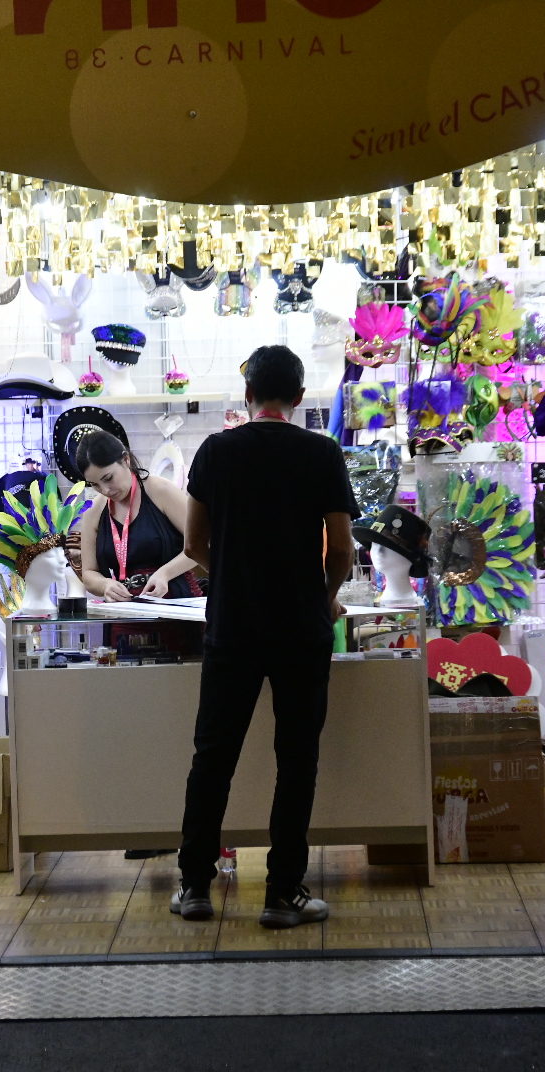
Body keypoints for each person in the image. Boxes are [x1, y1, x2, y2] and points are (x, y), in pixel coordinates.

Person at [171, 345, 358, 929]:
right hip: (301, 629)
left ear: (246, 392)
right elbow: (344, 549)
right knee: (297, 760)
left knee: (213, 757)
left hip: (232, 626)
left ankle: (196, 886)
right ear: (299, 397)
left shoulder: (217, 451)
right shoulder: (321, 453)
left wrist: (228, 579)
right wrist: (323, 599)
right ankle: (282, 894)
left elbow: (195, 546)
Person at [76, 431, 201, 600]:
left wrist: (165, 573)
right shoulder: (94, 511)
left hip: (175, 605)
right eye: (95, 485)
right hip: (124, 612)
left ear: (126, 460)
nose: (105, 490)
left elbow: (202, 544)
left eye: (108, 478)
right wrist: (105, 585)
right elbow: (89, 573)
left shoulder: (161, 491)